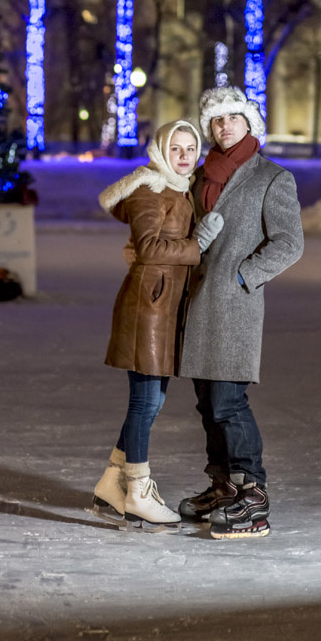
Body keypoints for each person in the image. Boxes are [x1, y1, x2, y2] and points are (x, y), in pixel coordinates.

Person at [178, 85, 304, 540]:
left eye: (232, 117)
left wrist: (244, 275)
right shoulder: (200, 176)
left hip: (235, 306)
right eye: (216, 120)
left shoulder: (272, 177)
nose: (224, 126)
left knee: (228, 402)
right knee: (206, 401)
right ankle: (224, 485)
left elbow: (290, 242)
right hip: (197, 304)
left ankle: (254, 494)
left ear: (249, 122)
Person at [91, 119, 224, 530]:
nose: (184, 156)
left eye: (190, 149)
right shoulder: (150, 188)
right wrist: (197, 245)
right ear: (161, 150)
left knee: (152, 400)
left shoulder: (178, 189)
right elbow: (148, 247)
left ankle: (112, 481)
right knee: (145, 401)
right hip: (148, 307)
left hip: (163, 307)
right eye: (176, 149)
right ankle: (138, 491)